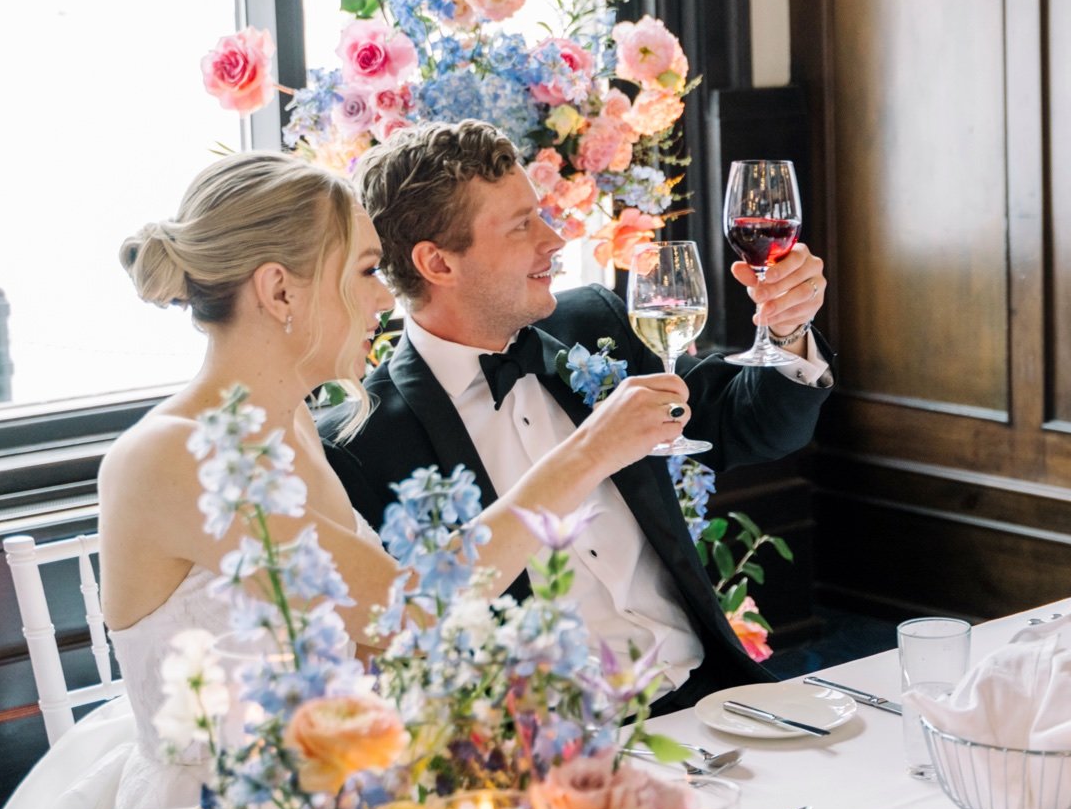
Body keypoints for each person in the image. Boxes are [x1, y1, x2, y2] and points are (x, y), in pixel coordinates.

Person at [0, 151, 675, 809]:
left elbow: (370, 636)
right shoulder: (179, 452)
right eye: (363, 270)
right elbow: (406, 613)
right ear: (278, 288)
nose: (383, 299)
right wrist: (588, 452)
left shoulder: (293, 426)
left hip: (332, 804)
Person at [320, 121, 832, 709]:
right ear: (437, 263)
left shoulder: (594, 324)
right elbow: (407, 638)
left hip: (709, 694)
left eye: (539, 214)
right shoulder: (359, 447)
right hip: (550, 753)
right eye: (521, 226)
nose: (554, 240)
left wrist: (787, 328)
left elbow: (754, 426)